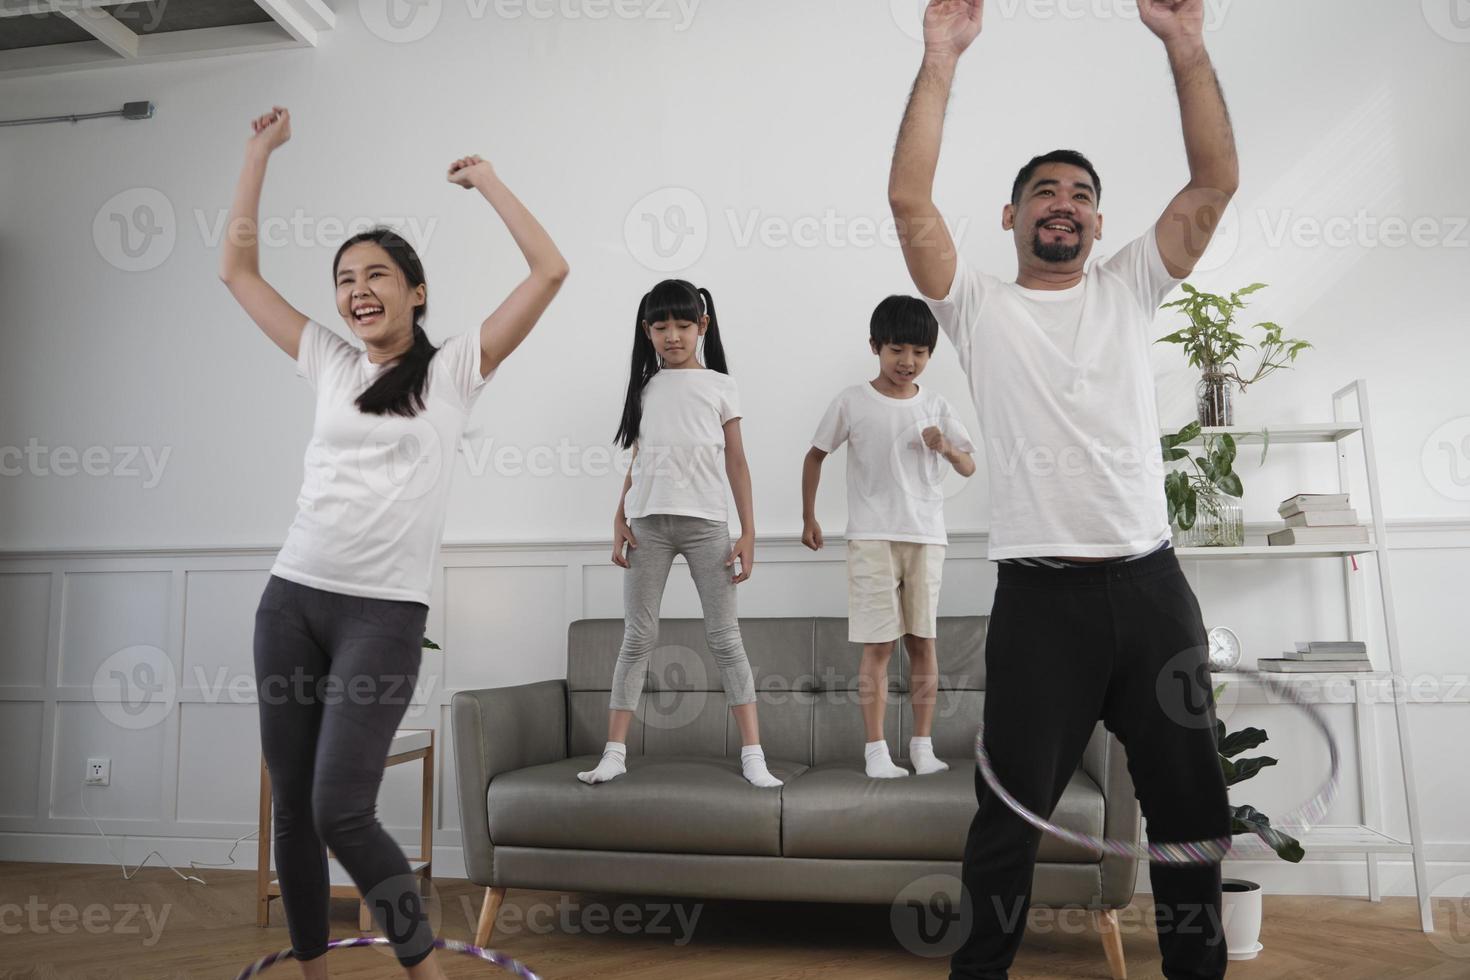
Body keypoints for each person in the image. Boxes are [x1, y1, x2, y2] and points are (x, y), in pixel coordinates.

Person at [888, 1, 1239, 977]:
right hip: (1041, 603)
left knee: (1192, 811)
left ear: (1097, 219)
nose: (1064, 201)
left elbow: (1216, 180)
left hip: (1152, 590)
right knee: (1009, 818)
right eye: (1044, 189)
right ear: (1012, 215)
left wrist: (1185, 46)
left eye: (1081, 193)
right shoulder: (976, 306)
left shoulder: (1131, 284)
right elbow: (911, 203)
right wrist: (940, 59)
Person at [220, 107, 568, 978]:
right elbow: (235, 269)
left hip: (383, 614)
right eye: (344, 278)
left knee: (342, 806)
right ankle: (311, 966)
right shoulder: (329, 363)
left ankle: (426, 966)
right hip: (291, 601)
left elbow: (551, 268)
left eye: (377, 275)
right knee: (294, 812)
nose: (356, 290)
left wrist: (486, 182)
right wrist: (258, 152)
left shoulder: (454, 374)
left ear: (416, 293)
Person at [577, 279, 782, 789]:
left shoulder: (720, 386)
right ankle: (615, 753)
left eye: (683, 325)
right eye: (662, 326)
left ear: (703, 327)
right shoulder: (644, 389)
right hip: (648, 523)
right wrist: (618, 517)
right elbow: (641, 459)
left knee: (725, 638)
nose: (673, 335)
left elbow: (737, 460)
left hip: (708, 524)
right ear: (647, 331)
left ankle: (753, 755)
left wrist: (749, 530)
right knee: (637, 638)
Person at [800, 296, 976, 779]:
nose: (908, 362)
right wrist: (808, 517)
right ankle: (876, 751)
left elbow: (969, 463)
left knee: (923, 642)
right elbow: (815, 455)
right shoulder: (852, 401)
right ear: (875, 346)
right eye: (897, 349)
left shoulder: (937, 406)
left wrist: (946, 447)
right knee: (877, 647)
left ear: (930, 354)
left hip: (925, 537)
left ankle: (922, 746)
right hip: (872, 538)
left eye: (919, 352)